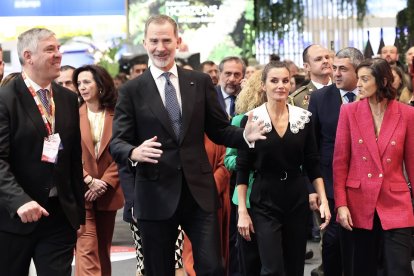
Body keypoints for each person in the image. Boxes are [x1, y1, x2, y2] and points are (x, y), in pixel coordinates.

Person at [110, 14, 265, 276]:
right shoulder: (132, 90)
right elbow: (117, 142)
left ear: (178, 41)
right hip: (154, 193)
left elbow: (219, 129)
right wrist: (134, 152)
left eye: (166, 40)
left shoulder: (199, 82)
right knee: (159, 269)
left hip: (198, 193)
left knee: (213, 267)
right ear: (145, 44)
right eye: (154, 41)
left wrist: (244, 136)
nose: (161, 47)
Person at [0, 27, 84, 275]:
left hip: (59, 216)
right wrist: (20, 201)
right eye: (50, 49)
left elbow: (72, 159)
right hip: (14, 217)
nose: (58, 55)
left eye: (58, 49)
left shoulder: (68, 99)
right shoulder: (5, 99)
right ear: (28, 56)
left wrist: (77, 214)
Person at [236, 61, 331, 276]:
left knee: (294, 265)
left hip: (296, 198)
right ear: (263, 85)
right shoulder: (251, 119)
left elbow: (312, 163)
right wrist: (243, 211)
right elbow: (242, 169)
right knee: (272, 268)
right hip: (264, 200)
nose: (281, 85)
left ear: (291, 84)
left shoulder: (303, 118)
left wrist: (323, 200)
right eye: (274, 81)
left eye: (285, 81)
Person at [333, 58, 414, 276]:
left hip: (396, 202)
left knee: (400, 268)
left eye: (365, 79)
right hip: (359, 202)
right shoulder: (348, 112)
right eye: (358, 78)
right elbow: (340, 162)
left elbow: (413, 164)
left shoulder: (406, 114)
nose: (358, 83)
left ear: (383, 80)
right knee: (363, 268)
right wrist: (341, 204)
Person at [308, 47, 364, 276]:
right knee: (332, 245)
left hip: (364, 186)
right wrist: (311, 187)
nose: (336, 73)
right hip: (329, 186)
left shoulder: (370, 97)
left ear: (359, 71)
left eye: (343, 68)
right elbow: (311, 147)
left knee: (362, 247)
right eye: (335, 68)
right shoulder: (320, 98)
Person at [73, 64, 124, 276]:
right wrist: (88, 180)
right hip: (81, 190)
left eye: (86, 82)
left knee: (103, 249)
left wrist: (104, 182)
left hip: (107, 190)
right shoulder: (72, 114)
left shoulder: (118, 114)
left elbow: (124, 151)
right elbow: (67, 153)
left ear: (101, 85)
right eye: (79, 84)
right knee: (86, 248)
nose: (81, 87)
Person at [225, 69, 265, 276]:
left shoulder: (289, 118)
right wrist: (248, 163)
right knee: (247, 257)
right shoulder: (240, 120)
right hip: (246, 197)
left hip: (276, 195)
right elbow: (229, 159)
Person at [288, 44, 332, 109]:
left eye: (327, 57)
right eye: (318, 59)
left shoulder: (343, 89)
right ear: (306, 67)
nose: (325, 61)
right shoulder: (297, 99)